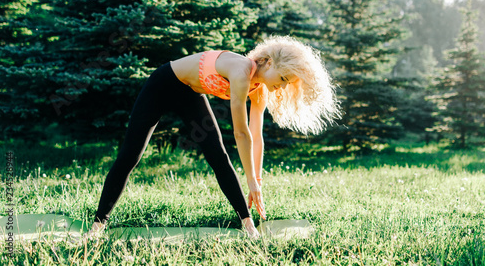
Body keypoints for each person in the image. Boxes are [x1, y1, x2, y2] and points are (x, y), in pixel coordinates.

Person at [87, 35, 340, 238]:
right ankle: (98, 225)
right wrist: (249, 181)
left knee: (217, 154)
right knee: (131, 155)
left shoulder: (260, 90)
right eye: (283, 78)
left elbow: (256, 135)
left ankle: (247, 223)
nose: (283, 86)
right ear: (269, 63)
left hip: (190, 93)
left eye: (288, 83)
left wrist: (256, 181)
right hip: (163, 84)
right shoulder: (242, 72)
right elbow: (240, 133)